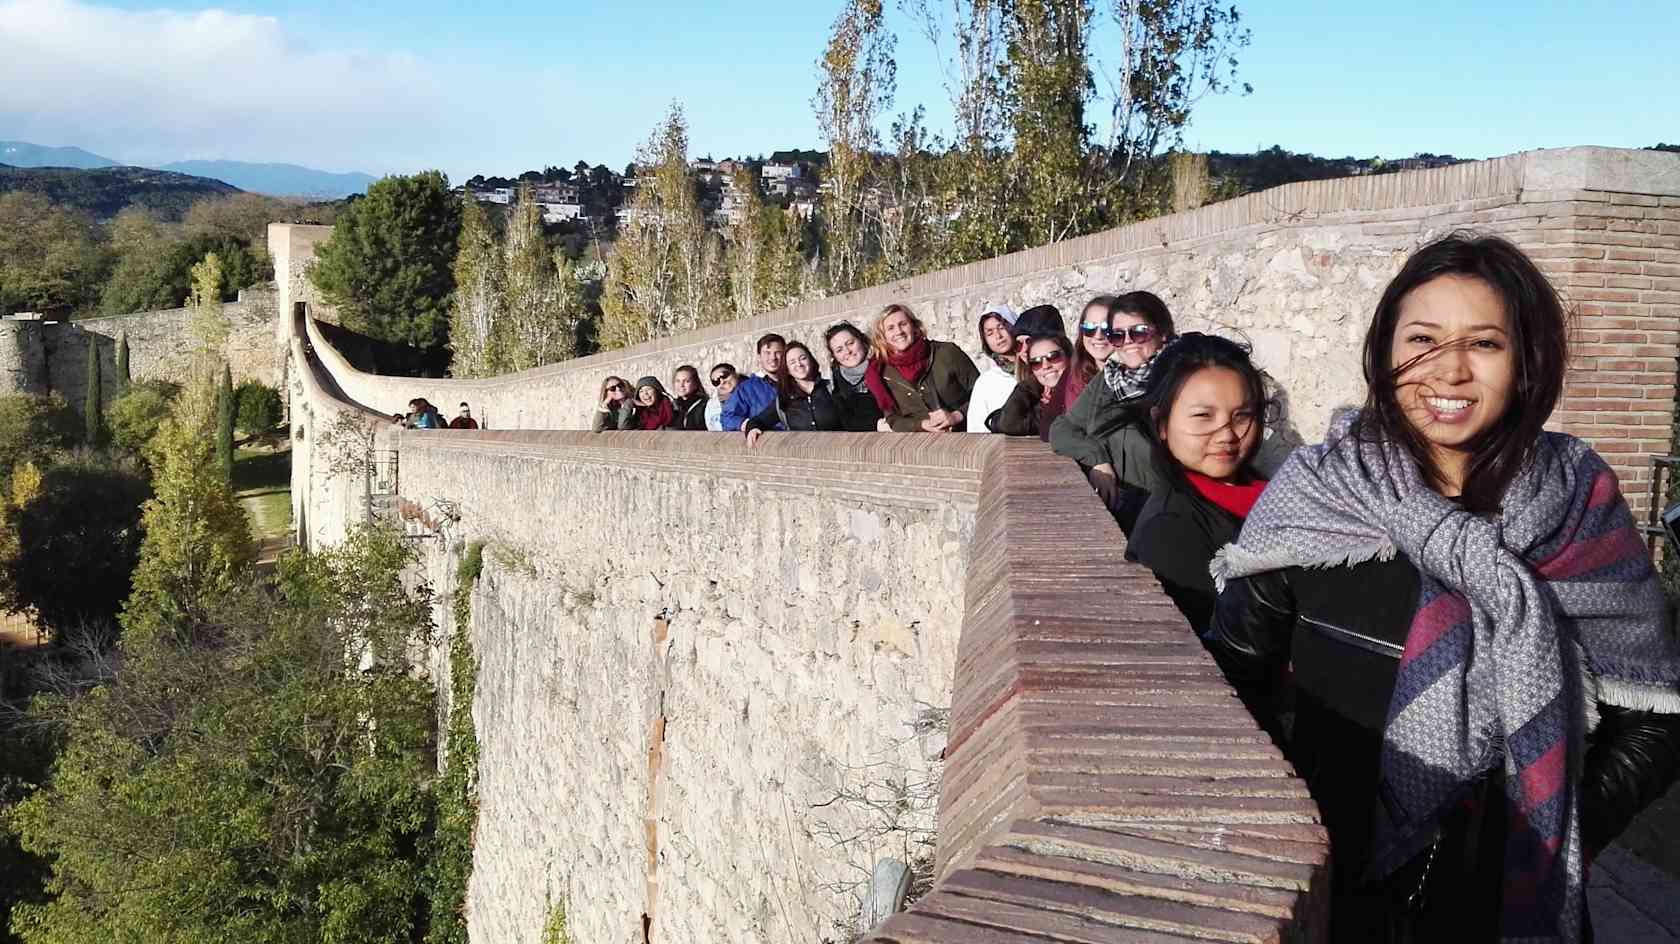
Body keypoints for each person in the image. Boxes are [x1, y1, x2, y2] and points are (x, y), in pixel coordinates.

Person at [1207, 234, 1680, 943]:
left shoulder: (1581, 504)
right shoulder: (1318, 491)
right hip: (1330, 894)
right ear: (1385, 352)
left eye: (1485, 343)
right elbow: (1229, 685)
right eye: (1423, 339)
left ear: (1526, 362)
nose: (1450, 371)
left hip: (1501, 907)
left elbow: (1658, 715)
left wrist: (1546, 829)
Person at [1123, 333, 1268, 636]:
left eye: (1242, 416)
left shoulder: (1272, 496)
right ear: (1162, 423)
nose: (1227, 434)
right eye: (1204, 416)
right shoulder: (1168, 530)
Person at [1049, 291, 1176, 533]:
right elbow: (1061, 428)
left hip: (1168, 522)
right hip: (1124, 521)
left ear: (1162, 332)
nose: (1127, 341)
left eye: (1138, 332)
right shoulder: (1111, 377)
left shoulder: (1181, 378)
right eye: (1118, 335)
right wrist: (1098, 459)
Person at [866, 304, 979, 433]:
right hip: (924, 444)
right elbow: (893, 420)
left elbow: (983, 393)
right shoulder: (882, 372)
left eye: (903, 324)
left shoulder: (947, 352)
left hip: (967, 434)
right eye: (890, 328)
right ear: (883, 337)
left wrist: (957, 415)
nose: (899, 331)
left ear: (914, 326)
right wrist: (921, 425)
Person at [743, 341, 844, 445]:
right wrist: (752, 429)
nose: (799, 364)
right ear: (788, 370)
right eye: (792, 362)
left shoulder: (832, 389)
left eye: (803, 358)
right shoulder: (784, 399)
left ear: (811, 361)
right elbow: (758, 421)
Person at [988, 328, 1074, 440]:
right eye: (1036, 362)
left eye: (1053, 356)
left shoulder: (1084, 393)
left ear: (1069, 357)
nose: (1045, 366)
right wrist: (1034, 382)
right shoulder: (1044, 400)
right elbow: (1009, 422)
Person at [965, 303, 1020, 437]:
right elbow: (976, 429)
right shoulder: (986, 383)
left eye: (1001, 327)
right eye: (990, 333)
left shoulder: (1039, 368)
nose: (998, 336)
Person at [824, 322, 887, 432]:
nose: (847, 351)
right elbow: (847, 422)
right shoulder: (837, 385)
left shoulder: (885, 366)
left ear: (862, 341)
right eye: (839, 350)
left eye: (850, 343)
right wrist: (876, 425)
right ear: (835, 357)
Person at [720, 334, 786, 431]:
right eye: (767, 353)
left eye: (778, 352)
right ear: (759, 356)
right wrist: (749, 425)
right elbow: (727, 418)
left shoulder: (796, 382)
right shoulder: (747, 388)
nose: (773, 358)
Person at [1064, 294, 1117, 407]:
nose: (1098, 336)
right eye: (1089, 328)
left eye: (1106, 328)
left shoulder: (1134, 379)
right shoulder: (1075, 379)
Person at [670, 365, 709, 431]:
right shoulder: (675, 407)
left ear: (695, 384)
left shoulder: (704, 406)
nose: (681, 385)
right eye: (678, 381)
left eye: (686, 381)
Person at [705, 363, 738, 431]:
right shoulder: (711, 404)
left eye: (724, 375)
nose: (722, 381)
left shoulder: (750, 396)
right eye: (716, 381)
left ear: (735, 374)